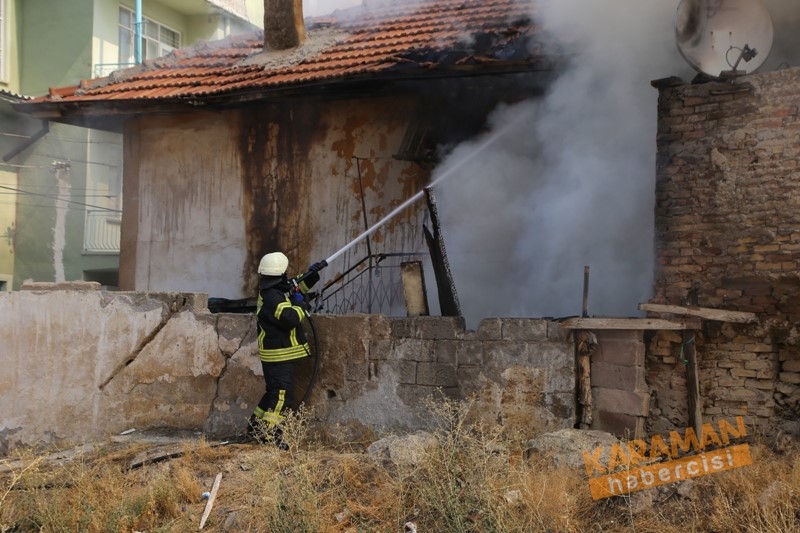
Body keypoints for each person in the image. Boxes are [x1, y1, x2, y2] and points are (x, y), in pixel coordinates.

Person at [245, 251, 323, 447]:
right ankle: (270, 436)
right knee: (282, 396)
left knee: (273, 393)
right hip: (278, 354)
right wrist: (300, 304)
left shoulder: (276, 289)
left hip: (278, 353)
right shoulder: (272, 297)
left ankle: (255, 427)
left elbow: (297, 285)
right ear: (281, 273)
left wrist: (312, 274)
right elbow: (291, 318)